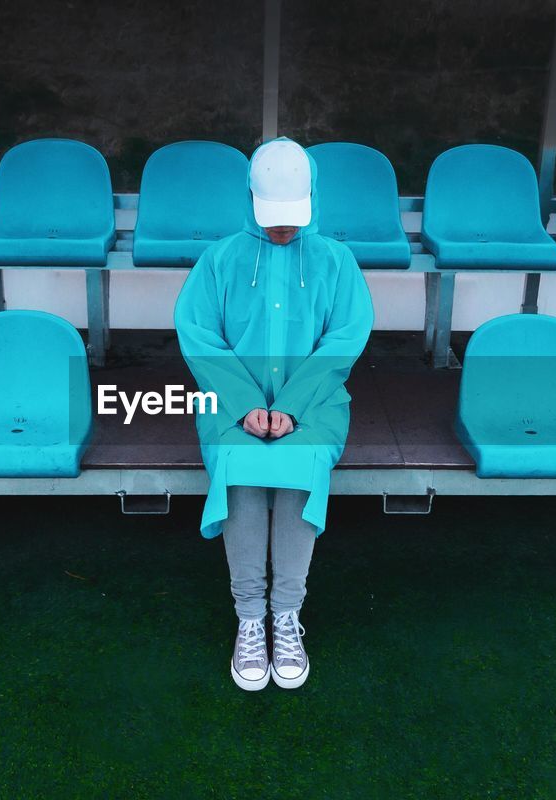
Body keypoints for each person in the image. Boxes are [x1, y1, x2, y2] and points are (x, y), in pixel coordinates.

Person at [173, 138, 374, 691]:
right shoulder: (220, 259)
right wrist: (243, 406)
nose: (283, 229)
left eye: (293, 216)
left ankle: (286, 614)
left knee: (298, 465)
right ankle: (250, 617)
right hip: (226, 404)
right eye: (272, 216)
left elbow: (345, 337)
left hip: (314, 404)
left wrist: (290, 407)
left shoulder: (336, 260)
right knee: (238, 467)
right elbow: (199, 337)